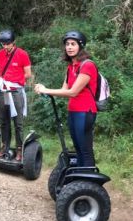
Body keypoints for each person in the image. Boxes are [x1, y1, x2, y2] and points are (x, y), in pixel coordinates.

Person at [35, 31, 99, 166]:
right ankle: (80, 180)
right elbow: (64, 90)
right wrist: (44, 89)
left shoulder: (87, 65)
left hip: (85, 112)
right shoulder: (71, 67)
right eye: (67, 44)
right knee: (77, 147)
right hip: (73, 111)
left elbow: (73, 92)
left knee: (85, 148)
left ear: (80, 46)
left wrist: (46, 90)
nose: (69, 47)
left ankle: (88, 182)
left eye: (73, 44)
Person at [0, 29, 32, 160]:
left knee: (18, 122)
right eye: (3, 43)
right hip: (2, 90)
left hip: (16, 90)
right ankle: (5, 146)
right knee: (3, 121)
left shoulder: (22, 54)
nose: (5, 46)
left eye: (7, 43)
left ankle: (20, 148)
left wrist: (16, 80)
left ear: (13, 42)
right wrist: (2, 81)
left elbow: (28, 74)